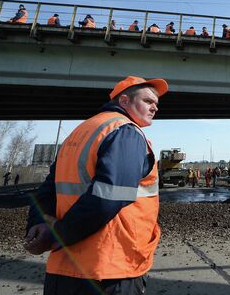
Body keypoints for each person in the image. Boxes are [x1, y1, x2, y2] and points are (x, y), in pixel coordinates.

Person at [23, 75, 167, 295]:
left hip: (64, 268)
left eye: (156, 103)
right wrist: (56, 234)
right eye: (148, 101)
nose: (155, 107)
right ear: (125, 101)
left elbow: (48, 189)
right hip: (110, 268)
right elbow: (109, 198)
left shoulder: (80, 132)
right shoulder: (125, 132)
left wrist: (38, 224)